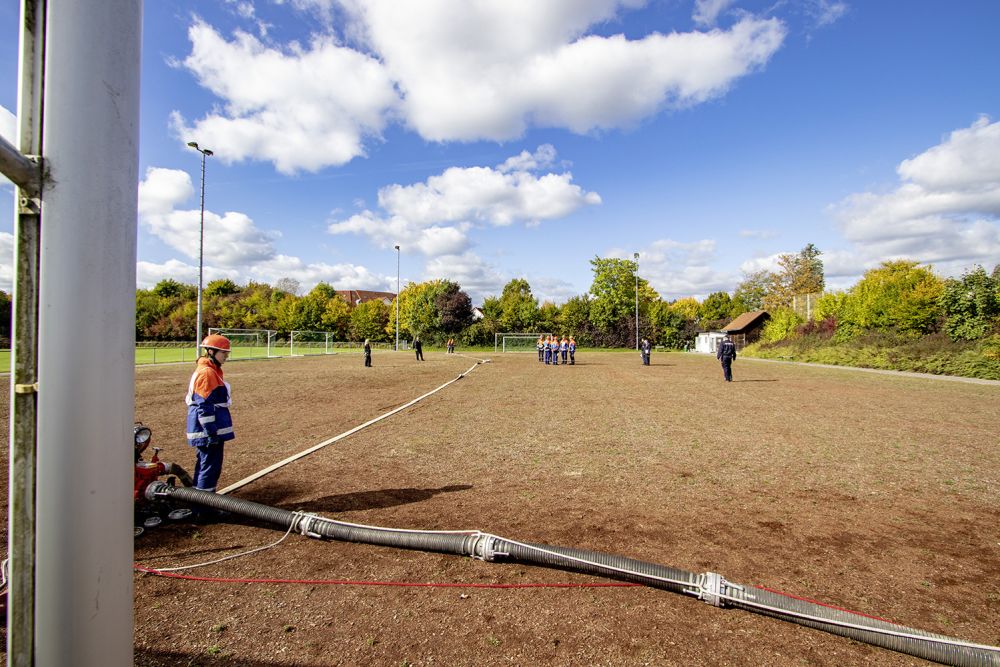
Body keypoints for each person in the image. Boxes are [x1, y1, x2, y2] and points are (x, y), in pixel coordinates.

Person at [185, 334, 235, 494]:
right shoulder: (207, 373)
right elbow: (204, 405)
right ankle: (204, 508)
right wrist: (210, 431)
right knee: (209, 467)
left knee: (206, 465)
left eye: (227, 353)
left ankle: (200, 503)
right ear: (211, 352)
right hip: (207, 430)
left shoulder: (212, 371)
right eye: (223, 353)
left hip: (208, 429)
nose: (226, 356)